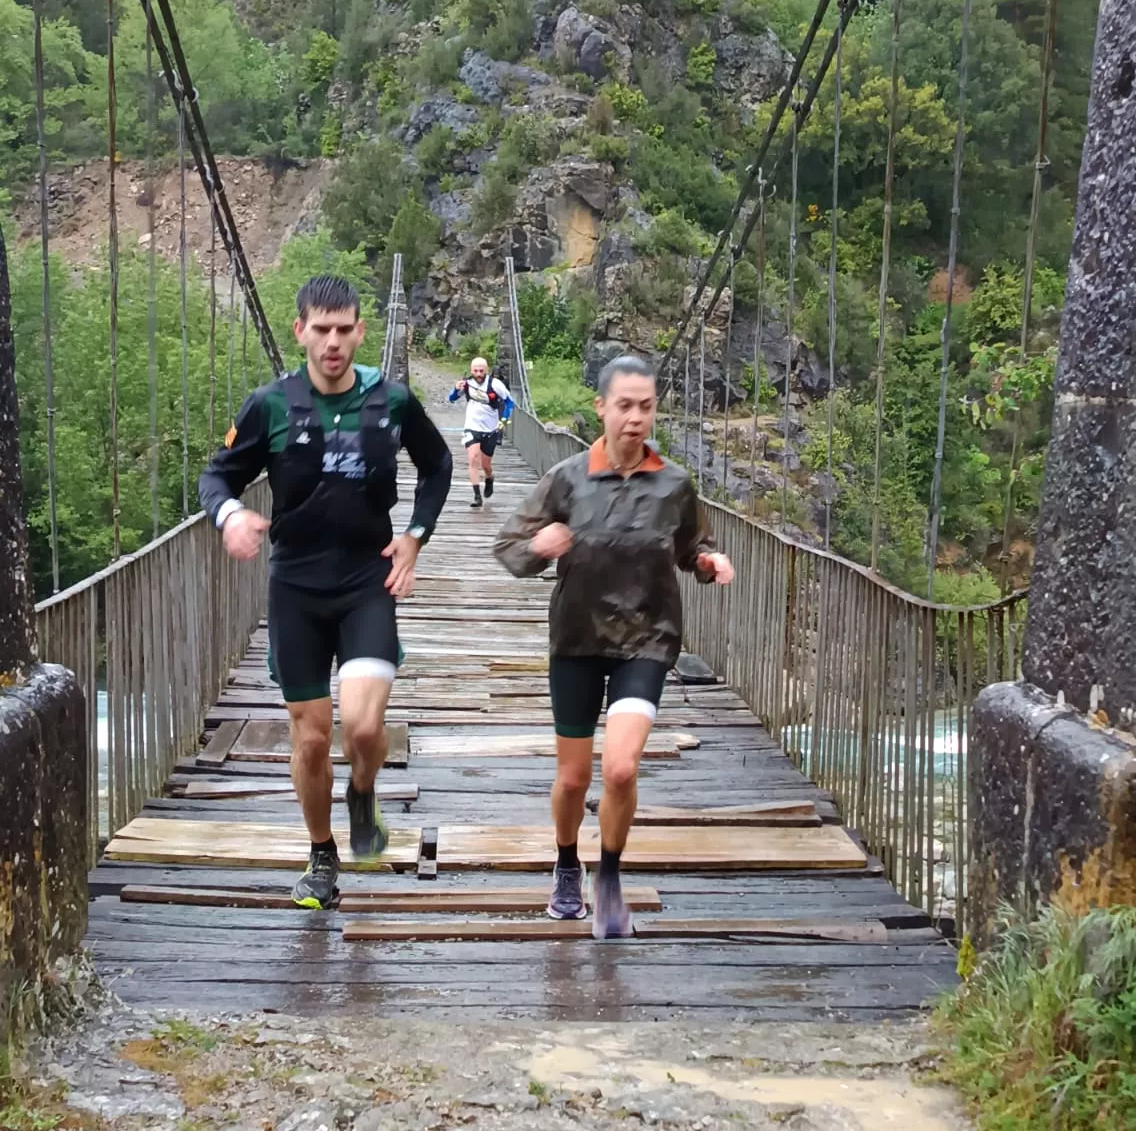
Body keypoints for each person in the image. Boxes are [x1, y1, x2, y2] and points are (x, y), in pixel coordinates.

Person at [198, 274, 452, 910]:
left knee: (364, 729)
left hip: (368, 579)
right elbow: (217, 475)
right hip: (296, 588)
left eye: (345, 330)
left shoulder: (391, 400)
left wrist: (416, 536)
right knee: (311, 737)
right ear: (300, 331)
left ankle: (361, 792)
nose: (333, 343)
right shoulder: (272, 404)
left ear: (360, 331)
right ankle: (321, 856)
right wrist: (230, 517)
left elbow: (439, 464)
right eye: (321, 330)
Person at [494, 354, 735, 938]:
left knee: (622, 768)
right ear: (601, 407)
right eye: (624, 405)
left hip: (647, 641)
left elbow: (690, 547)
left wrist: (707, 561)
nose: (635, 418)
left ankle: (609, 875)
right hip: (577, 640)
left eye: (646, 406)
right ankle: (567, 862)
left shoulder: (675, 484)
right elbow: (509, 548)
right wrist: (540, 548)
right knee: (574, 778)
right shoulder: (568, 478)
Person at [449, 356, 515, 507]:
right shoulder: (466, 384)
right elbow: (452, 398)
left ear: (486, 371)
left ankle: (489, 478)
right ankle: (477, 496)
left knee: (486, 465)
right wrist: (455, 389)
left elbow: (509, 402)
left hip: (490, 428)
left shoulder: (495, 384)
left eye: (481, 371)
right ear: (471, 370)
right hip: (472, 426)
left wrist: (504, 419)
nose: (478, 374)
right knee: (473, 458)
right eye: (475, 371)